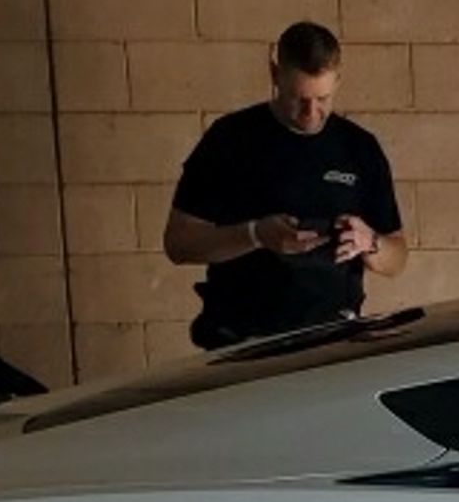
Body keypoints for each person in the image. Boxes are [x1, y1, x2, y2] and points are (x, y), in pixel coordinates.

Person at [164, 21, 409, 349]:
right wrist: (255, 234)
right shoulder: (230, 140)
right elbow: (178, 244)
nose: (310, 113)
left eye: (322, 99)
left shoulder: (359, 148)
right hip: (243, 341)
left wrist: (370, 242)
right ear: (274, 75)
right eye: (297, 98)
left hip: (333, 341)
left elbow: (398, 259)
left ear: (338, 81)